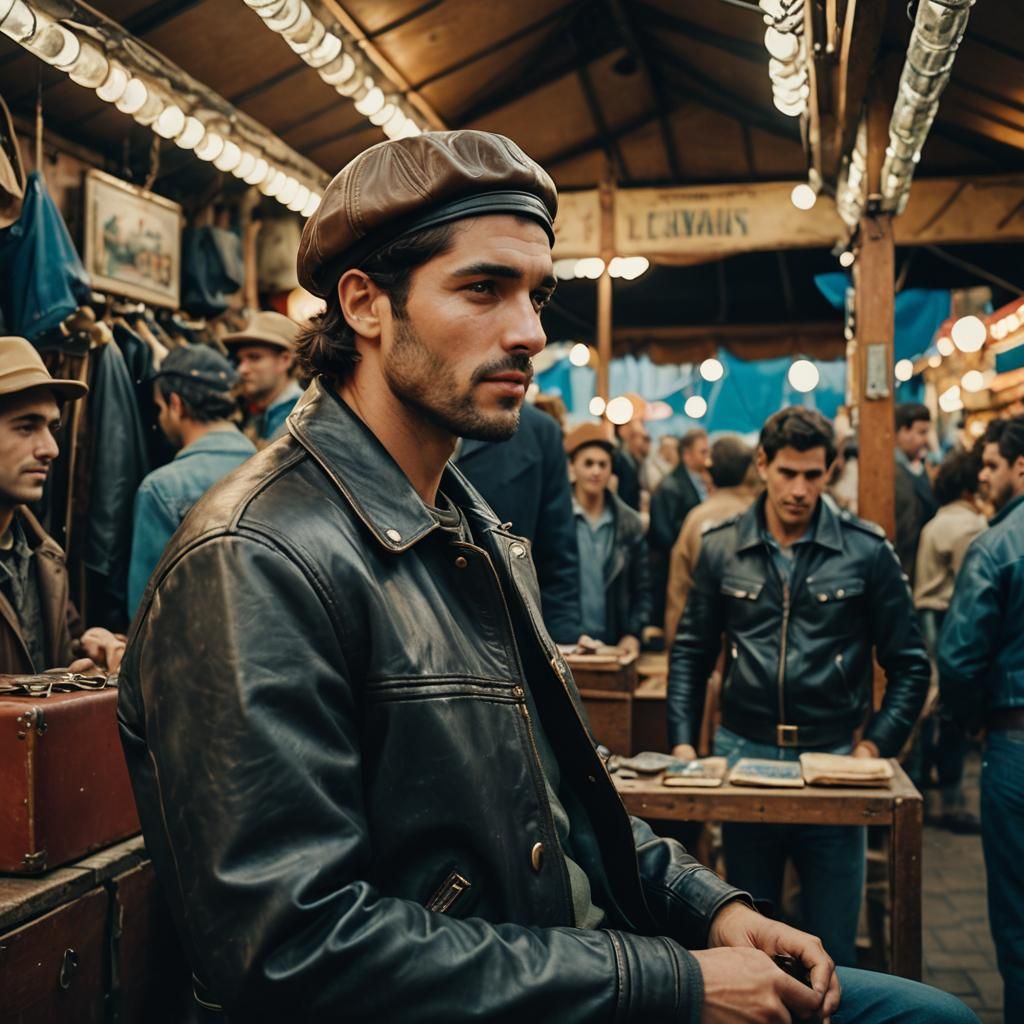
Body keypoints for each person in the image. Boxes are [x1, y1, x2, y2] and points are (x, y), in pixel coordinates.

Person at [119, 133, 974, 1024]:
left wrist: (708, 909)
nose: (530, 331)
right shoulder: (255, 555)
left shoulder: (471, 529)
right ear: (366, 304)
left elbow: (564, 801)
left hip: (580, 968)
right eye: (484, 288)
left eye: (537, 294)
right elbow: (291, 949)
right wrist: (671, 985)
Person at [668, 406, 930, 969]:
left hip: (832, 756)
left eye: (813, 475)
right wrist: (685, 743)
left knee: (833, 945)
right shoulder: (721, 546)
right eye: (787, 472)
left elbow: (911, 664)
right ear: (762, 464)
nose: (798, 489)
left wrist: (872, 748)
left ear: (831, 470)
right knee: (750, 940)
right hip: (744, 754)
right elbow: (690, 650)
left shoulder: (866, 549)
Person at [940, 415, 1024, 1022]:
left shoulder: (997, 545)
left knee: (1019, 922)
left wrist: (970, 723)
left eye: (992, 464)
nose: (984, 476)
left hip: (1015, 740)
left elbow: (960, 658)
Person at [0, 336, 124, 675]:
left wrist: (87, 652)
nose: (51, 448)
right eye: (26, 427)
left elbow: (38, 651)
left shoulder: (42, 553)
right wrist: (39, 693)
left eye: (53, 427)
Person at [126, 346, 256, 615]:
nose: (160, 418)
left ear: (176, 404)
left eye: (159, 408)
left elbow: (146, 612)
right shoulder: (272, 464)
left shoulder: (162, 489)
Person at [457, 400, 581, 644]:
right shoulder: (395, 419)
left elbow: (558, 553)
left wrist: (563, 642)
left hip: (506, 635)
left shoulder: (537, 431)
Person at [910, 448, 987, 833]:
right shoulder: (969, 528)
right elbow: (972, 586)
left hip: (927, 614)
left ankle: (924, 786)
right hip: (946, 616)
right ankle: (949, 801)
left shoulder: (937, 522)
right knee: (949, 705)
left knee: (930, 702)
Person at [664, 435, 759, 641]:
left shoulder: (696, 519)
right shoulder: (759, 516)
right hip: (750, 646)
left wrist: (675, 653)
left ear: (710, 473)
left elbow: (678, 595)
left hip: (703, 643)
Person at [564, 422, 649, 655]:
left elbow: (643, 588)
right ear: (573, 467)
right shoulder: (556, 519)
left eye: (603, 464)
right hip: (567, 642)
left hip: (613, 644)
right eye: (588, 463)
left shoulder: (629, 523)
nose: (596, 471)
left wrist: (633, 633)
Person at [648, 427, 709, 627]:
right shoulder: (670, 486)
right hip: (671, 569)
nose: (708, 458)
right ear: (687, 455)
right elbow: (662, 532)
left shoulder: (698, 481)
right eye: (703, 452)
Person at [223, 310, 302, 445]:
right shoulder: (255, 413)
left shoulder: (302, 421)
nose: (242, 369)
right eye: (240, 360)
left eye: (254, 357)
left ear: (285, 360)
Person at [894, 402, 937, 583]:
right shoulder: (890, 472)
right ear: (903, 431)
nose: (926, 440)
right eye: (921, 432)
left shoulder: (918, 468)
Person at [611, 416, 650, 511]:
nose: (640, 442)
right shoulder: (617, 457)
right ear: (622, 431)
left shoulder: (635, 458)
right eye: (635, 436)